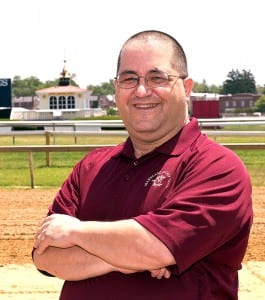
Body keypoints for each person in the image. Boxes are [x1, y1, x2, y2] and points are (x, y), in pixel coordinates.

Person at [32, 30, 253, 300]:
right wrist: (124, 258)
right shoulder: (91, 167)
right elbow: (46, 256)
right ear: (115, 89)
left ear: (186, 88)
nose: (141, 91)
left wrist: (75, 233)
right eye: (129, 79)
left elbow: (156, 248)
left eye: (157, 78)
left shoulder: (217, 167)